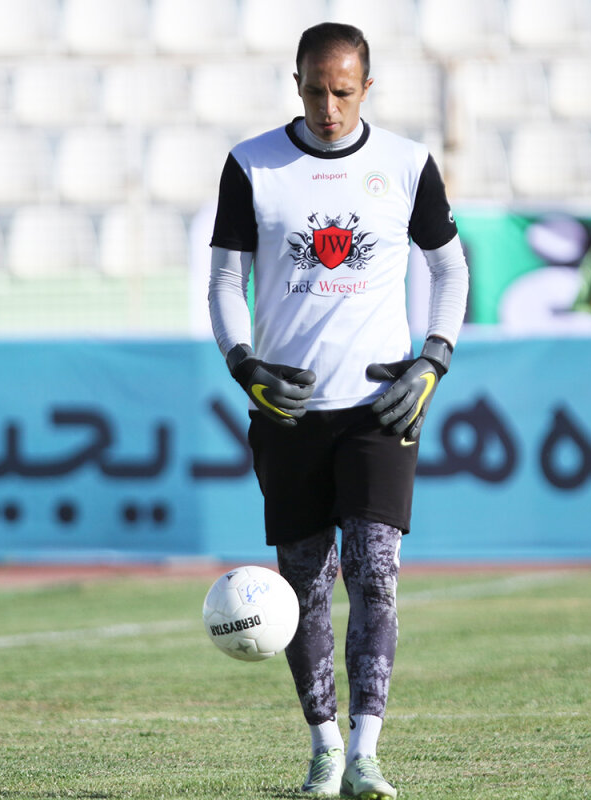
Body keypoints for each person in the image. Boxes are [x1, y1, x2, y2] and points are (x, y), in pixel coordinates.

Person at [207, 21, 469, 799]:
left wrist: (434, 358)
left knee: (375, 574)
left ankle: (366, 753)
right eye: (316, 91)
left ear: (367, 88)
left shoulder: (407, 164)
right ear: (296, 85)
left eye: (343, 92)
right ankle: (323, 748)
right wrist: (243, 364)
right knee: (305, 585)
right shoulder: (252, 165)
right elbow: (224, 282)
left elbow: (450, 270)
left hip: (378, 408)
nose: (329, 108)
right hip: (288, 412)